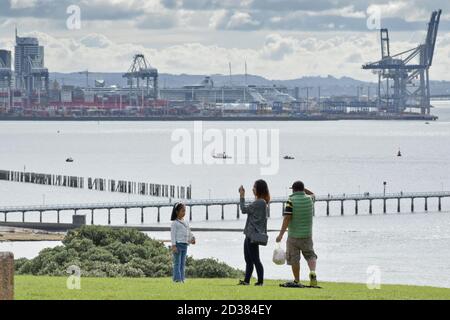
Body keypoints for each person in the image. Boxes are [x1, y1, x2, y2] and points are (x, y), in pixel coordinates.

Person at [276, 181, 318, 288]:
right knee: (310, 255)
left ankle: (297, 280)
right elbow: (313, 194)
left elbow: (287, 218)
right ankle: (312, 272)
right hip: (307, 235)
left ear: (293, 190)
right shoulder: (309, 199)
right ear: (303, 189)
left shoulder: (291, 201)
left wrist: (280, 234)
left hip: (293, 236)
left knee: (294, 258)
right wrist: (304, 190)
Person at [238, 180, 270, 286]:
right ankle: (247, 281)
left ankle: (260, 282)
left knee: (255, 259)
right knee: (249, 260)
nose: (253, 189)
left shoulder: (260, 202)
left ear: (259, 189)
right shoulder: (261, 202)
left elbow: (243, 209)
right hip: (250, 234)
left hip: (253, 234)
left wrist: (242, 196)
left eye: (254, 187)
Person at [170, 202, 196, 283]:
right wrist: (174, 246)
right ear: (177, 212)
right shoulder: (174, 223)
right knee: (177, 263)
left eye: (184, 211)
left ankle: (182, 278)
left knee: (182, 263)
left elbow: (189, 232)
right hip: (178, 244)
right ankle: (177, 279)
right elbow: (173, 235)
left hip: (185, 244)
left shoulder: (186, 222)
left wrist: (192, 238)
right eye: (182, 211)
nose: (184, 213)